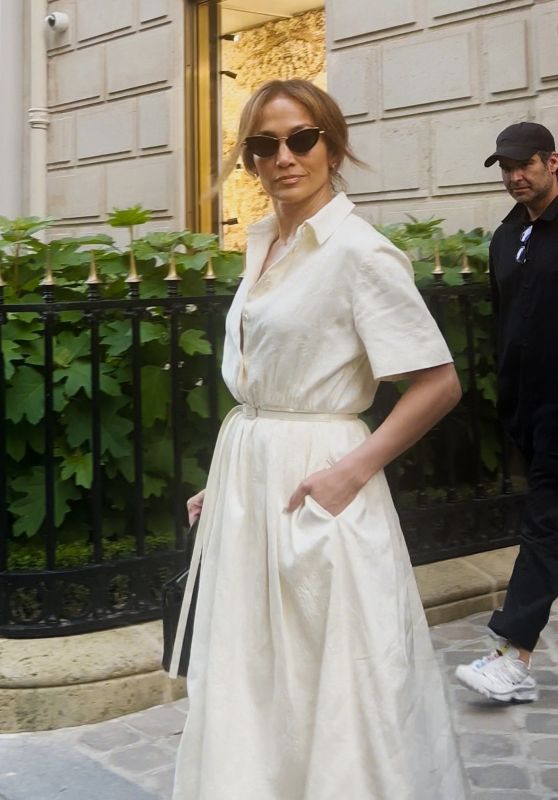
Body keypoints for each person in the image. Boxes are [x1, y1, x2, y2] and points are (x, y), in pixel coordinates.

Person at [169, 78, 470, 799]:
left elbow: (438, 383)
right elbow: (272, 376)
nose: (284, 156)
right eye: (263, 145)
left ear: (332, 144)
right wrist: (229, 477)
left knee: (335, 677)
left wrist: (348, 473)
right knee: (260, 677)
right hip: (253, 487)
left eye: (301, 137)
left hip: (321, 487)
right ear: (249, 159)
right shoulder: (266, 244)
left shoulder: (359, 252)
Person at [456, 121, 558, 703]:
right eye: (505, 167)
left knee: (543, 526)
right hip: (529, 407)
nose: (515, 176)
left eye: (526, 164)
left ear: (552, 162)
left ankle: (512, 658)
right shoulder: (506, 237)